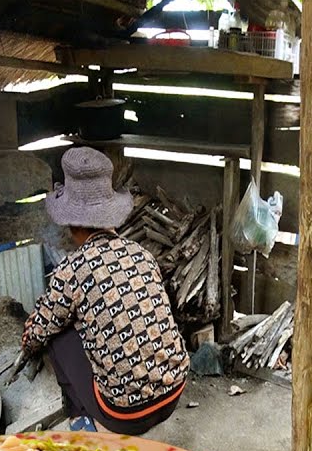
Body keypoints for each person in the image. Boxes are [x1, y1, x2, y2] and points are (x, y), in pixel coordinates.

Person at [20, 147, 190, 434]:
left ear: (71, 225)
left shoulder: (71, 270)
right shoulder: (142, 254)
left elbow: (38, 331)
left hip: (125, 415)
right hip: (174, 392)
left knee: (57, 336)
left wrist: (27, 345)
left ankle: (81, 420)